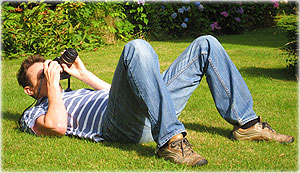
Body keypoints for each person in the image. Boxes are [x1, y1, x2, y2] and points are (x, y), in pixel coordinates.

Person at [17, 35, 294, 167]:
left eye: (49, 67)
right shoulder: (34, 112)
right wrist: (53, 86)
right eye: (41, 74)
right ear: (30, 90)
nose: (50, 72)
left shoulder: (72, 93)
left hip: (146, 110)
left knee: (206, 44)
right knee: (136, 47)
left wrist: (83, 74)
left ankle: (246, 123)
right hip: (117, 127)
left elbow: (126, 88)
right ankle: (171, 142)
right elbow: (57, 127)